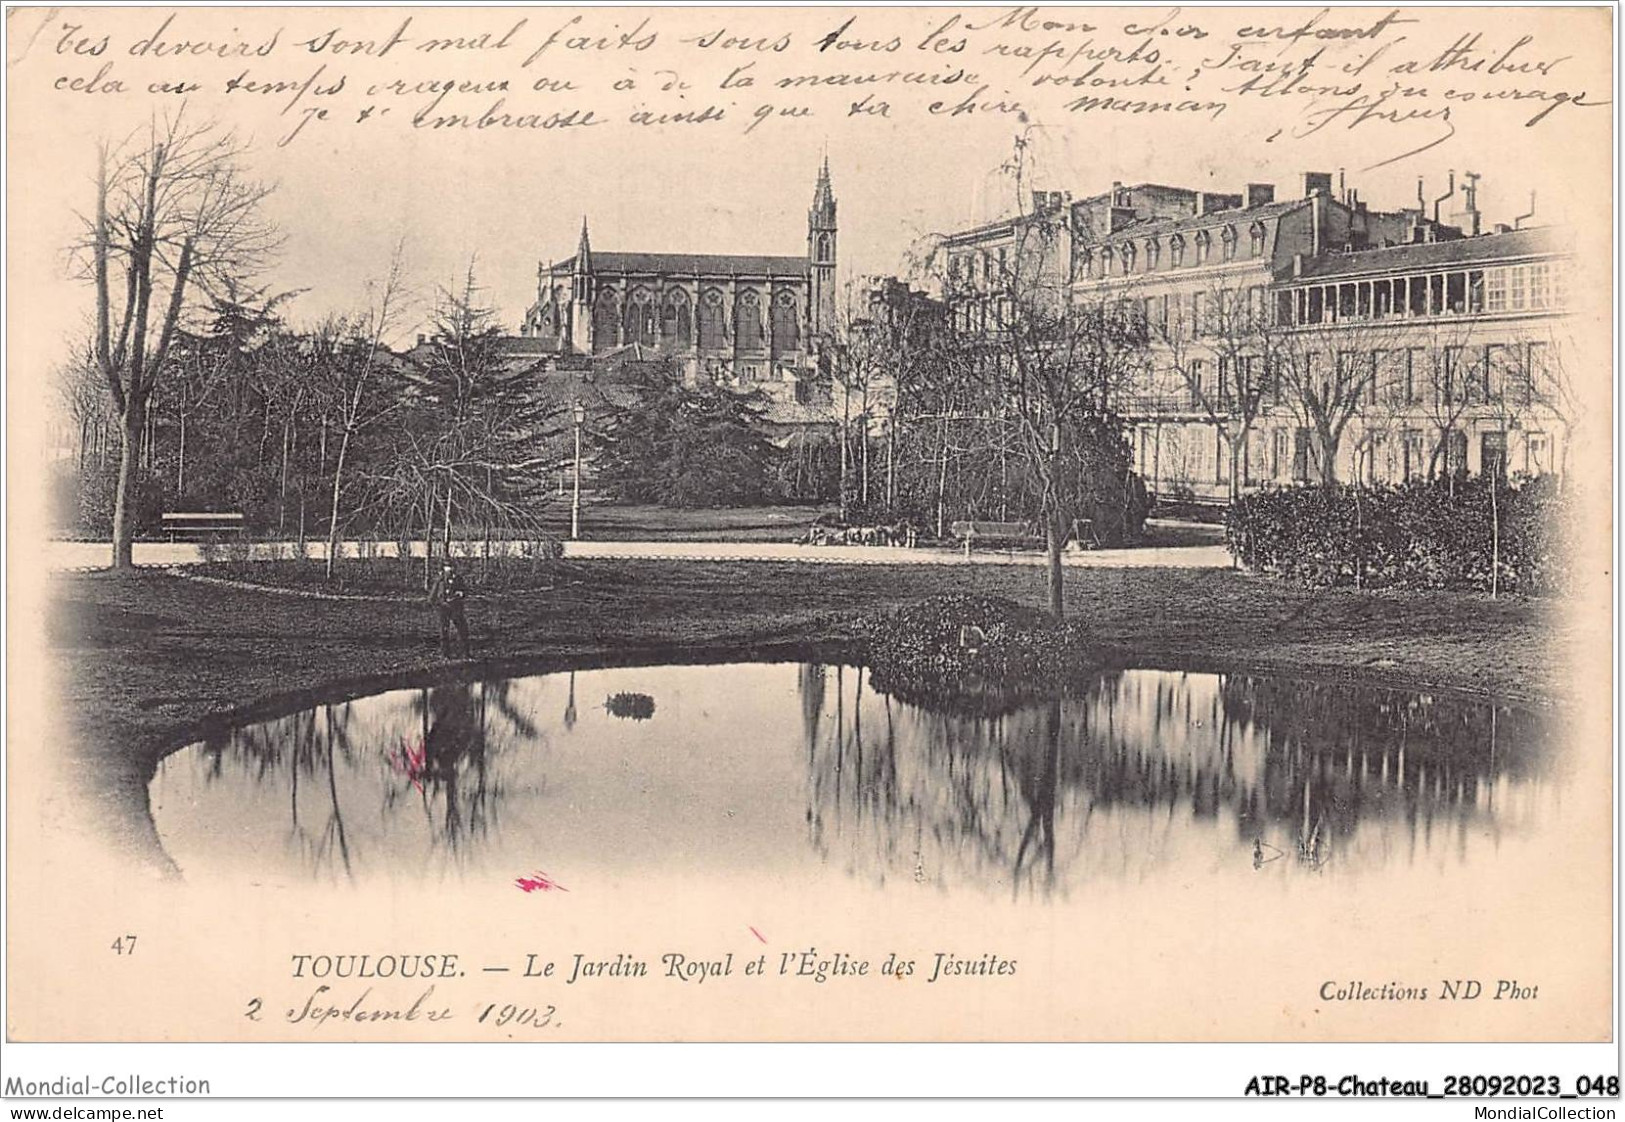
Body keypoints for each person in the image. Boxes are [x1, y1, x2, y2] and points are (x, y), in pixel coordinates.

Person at [429, 560, 470, 657]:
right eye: (447, 567)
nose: (450, 569)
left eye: (451, 567)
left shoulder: (459, 579)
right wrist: (435, 604)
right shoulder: (439, 580)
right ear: (443, 568)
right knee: (444, 630)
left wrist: (462, 593)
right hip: (443, 607)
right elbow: (432, 595)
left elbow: (465, 591)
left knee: (462, 629)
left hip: (456, 607)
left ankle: (465, 653)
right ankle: (445, 654)